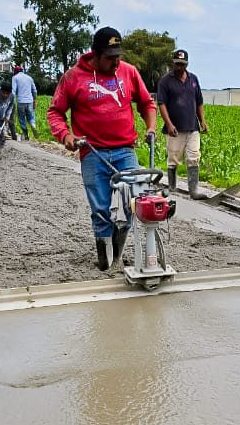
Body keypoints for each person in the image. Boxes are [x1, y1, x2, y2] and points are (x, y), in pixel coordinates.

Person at [48, 26, 158, 271]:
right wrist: (65, 135)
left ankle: (117, 256)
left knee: (131, 203)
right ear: (95, 55)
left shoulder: (128, 72)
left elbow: (146, 103)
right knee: (100, 208)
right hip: (93, 152)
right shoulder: (73, 77)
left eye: (118, 55)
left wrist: (150, 127)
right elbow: (55, 112)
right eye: (110, 57)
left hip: (125, 150)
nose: (116, 60)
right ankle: (105, 260)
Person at [156, 48, 207, 198]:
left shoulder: (193, 79)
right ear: (173, 63)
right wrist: (169, 124)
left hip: (192, 126)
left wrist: (202, 120)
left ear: (187, 64)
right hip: (175, 128)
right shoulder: (165, 81)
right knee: (174, 158)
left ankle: (194, 190)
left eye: (183, 64)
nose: (180, 67)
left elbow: (199, 102)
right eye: (177, 64)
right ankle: (172, 187)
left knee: (194, 156)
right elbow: (162, 104)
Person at [11, 65, 38, 140]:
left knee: (22, 118)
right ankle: (33, 125)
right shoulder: (29, 78)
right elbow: (34, 90)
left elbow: (13, 91)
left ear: (15, 72)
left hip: (21, 101)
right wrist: (34, 100)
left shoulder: (15, 78)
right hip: (30, 101)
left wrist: (12, 102)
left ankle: (26, 135)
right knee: (31, 117)